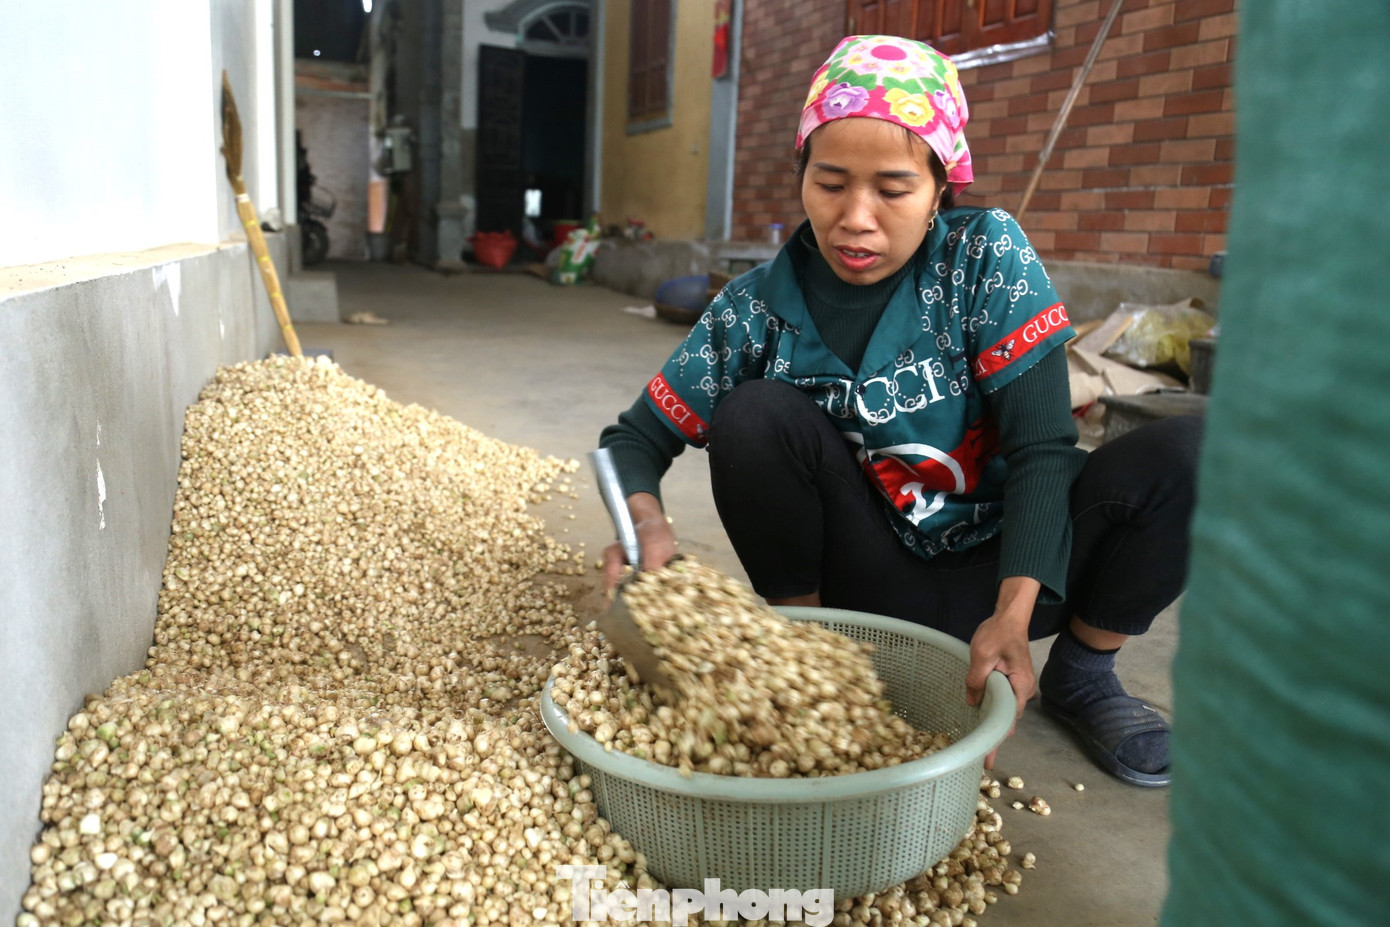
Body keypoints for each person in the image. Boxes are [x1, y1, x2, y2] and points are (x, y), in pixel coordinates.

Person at [597, 35, 1202, 787]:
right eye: (830, 183)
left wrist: (1013, 617)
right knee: (753, 415)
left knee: (1196, 454)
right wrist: (643, 523)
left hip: (1009, 565)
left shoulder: (984, 259)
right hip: (868, 583)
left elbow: (1044, 448)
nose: (856, 217)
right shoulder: (753, 309)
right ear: (802, 175)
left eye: (893, 189)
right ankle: (810, 660)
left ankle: (1083, 673)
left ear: (941, 187)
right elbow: (634, 438)